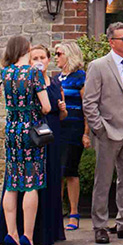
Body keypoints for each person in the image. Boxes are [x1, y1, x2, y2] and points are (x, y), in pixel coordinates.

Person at [80, 21, 123, 244]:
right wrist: (99, 128)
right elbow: (89, 102)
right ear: (111, 42)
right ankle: (100, 225)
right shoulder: (98, 66)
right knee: (103, 180)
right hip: (108, 130)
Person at [0, 44, 66, 245]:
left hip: (12, 129)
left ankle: (11, 232)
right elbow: (46, 106)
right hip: (31, 130)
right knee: (31, 182)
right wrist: (37, 107)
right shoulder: (33, 73)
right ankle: (27, 235)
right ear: (25, 51)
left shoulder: (6, 72)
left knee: (11, 183)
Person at [54, 41, 88, 231]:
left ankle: (74, 213)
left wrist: (86, 133)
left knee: (70, 170)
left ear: (69, 55)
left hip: (74, 129)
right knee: (57, 172)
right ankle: (57, 212)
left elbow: (87, 107)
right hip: (58, 129)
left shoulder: (80, 78)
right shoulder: (57, 79)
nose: (56, 57)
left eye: (59, 53)